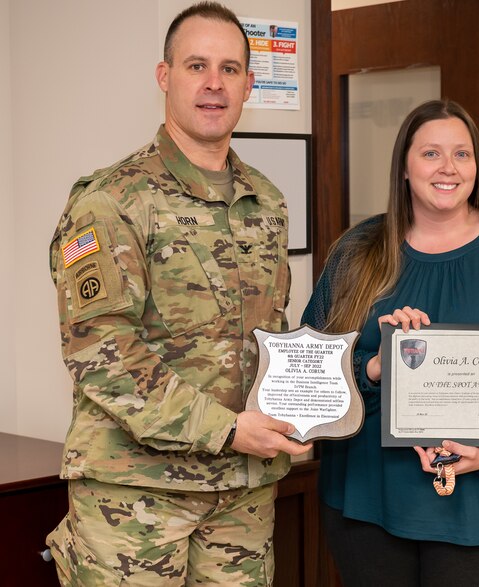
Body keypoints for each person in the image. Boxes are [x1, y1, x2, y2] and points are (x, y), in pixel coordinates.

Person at [46, 3, 311, 584]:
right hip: (135, 497)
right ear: (165, 76)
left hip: (241, 492)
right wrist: (225, 429)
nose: (214, 83)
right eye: (197, 65)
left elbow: (271, 334)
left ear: (247, 84)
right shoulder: (110, 201)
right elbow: (101, 354)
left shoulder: (266, 202)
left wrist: (304, 411)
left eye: (230, 68)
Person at [301, 99, 479, 585]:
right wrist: (375, 366)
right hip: (368, 502)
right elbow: (311, 370)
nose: (448, 168)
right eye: (431, 153)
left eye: (462, 154)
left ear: (477, 167)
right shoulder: (357, 252)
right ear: (404, 168)